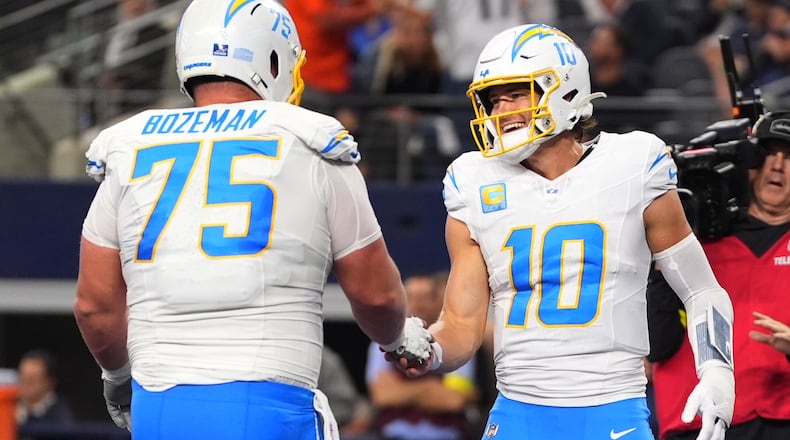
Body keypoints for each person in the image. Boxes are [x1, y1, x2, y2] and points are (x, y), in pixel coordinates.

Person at [73, 1, 433, 439]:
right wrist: (397, 339)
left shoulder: (130, 148)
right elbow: (375, 294)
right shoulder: (312, 141)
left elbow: (95, 306)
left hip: (160, 407)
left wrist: (117, 376)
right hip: (266, 404)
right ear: (274, 59)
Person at [388, 23, 736, 440]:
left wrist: (717, 369)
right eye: (493, 100)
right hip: (518, 410)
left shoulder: (631, 164)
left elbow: (701, 290)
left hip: (611, 407)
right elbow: (462, 323)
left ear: (566, 89)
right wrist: (430, 349)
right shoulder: (473, 181)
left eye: (516, 93)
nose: (501, 111)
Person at [647, 110, 790, 440]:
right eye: (767, 153)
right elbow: (657, 344)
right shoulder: (692, 242)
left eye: (789, 156)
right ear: (750, 163)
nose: (778, 165)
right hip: (698, 423)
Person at [366, 272, 479, 440]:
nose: (418, 304)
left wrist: (402, 391)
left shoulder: (455, 341)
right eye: (412, 297)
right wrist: (429, 389)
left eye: (425, 297)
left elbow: (453, 400)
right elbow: (382, 396)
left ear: (436, 301)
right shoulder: (384, 340)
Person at [16, 350, 74, 430]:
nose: (26, 384)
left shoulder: (60, 415)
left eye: (32, 379)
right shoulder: (8, 407)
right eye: (23, 378)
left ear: (50, 382)